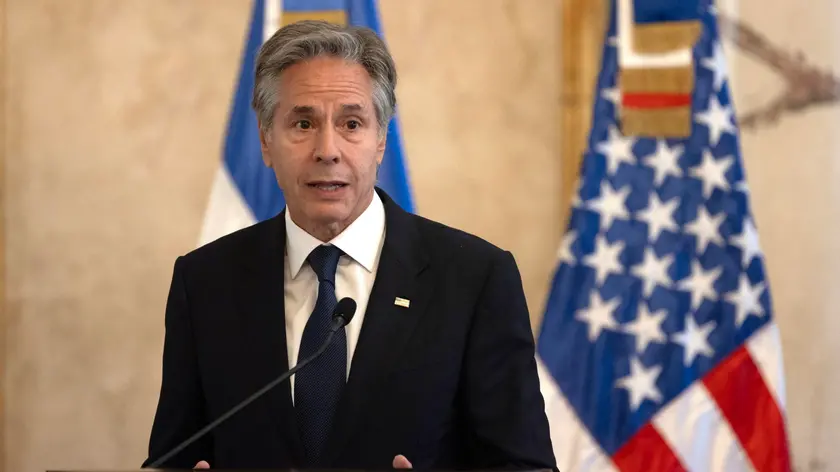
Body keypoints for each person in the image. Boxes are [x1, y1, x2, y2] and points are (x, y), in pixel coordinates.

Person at [143, 19, 556, 471]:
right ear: (265, 140)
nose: (327, 149)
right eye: (303, 122)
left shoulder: (475, 280)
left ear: (381, 139)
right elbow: (173, 457)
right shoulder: (205, 282)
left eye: (352, 123)